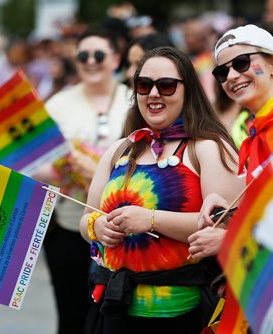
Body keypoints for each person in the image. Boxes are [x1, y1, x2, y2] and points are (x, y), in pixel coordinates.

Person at [79, 46, 242, 333]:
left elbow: (226, 228)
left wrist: (151, 219)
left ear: (187, 90)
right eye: (145, 85)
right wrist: (98, 227)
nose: (154, 94)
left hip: (184, 314)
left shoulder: (207, 148)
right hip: (116, 307)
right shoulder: (121, 149)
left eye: (166, 85)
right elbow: (87, 217)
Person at [188, 24, 273, 258]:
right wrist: (222, 203)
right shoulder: (262, 126)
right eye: (222, 72)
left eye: (242, 63)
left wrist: (230, 239)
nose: (231, 76)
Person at [39, 26, 131, 334]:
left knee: (108, 316)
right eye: (83, 55)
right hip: (66, 223)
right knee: (70, 311)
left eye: (99, 55)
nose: (91, 61)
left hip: (123, 229)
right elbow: (31, 165)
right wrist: (67, 168)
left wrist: (97, 169)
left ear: (115, 59)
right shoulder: (57, 104)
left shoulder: (135, 99)